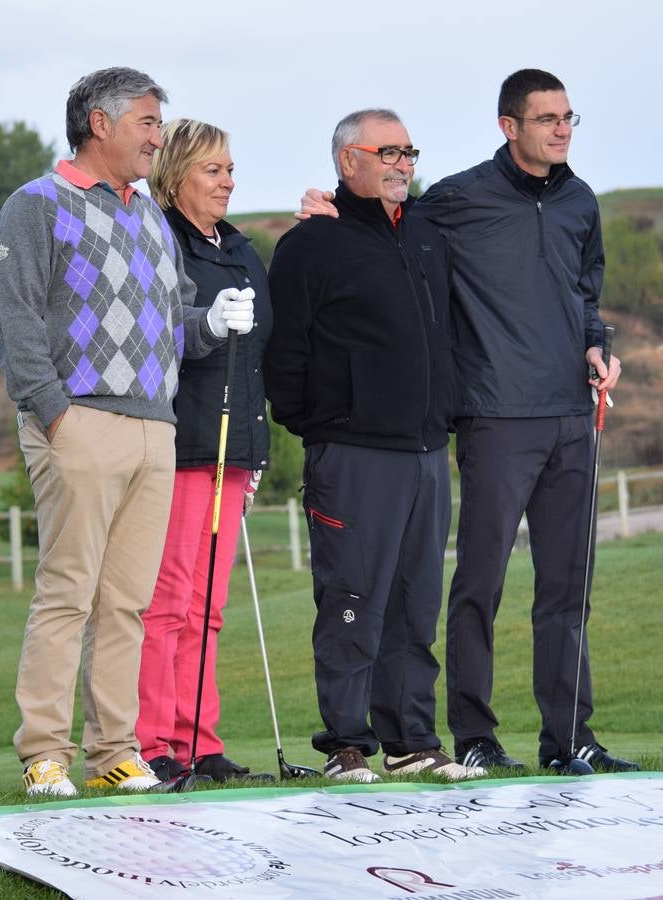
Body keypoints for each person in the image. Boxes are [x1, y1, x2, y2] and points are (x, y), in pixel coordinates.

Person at [298, 70, 635, 776]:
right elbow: (387, 218)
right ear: (509, 126)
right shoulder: (457, 199)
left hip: (572, 416)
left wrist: (596, 343)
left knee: (567, 588)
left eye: (569, 116)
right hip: (493, 418)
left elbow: (585, 290)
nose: (562, 129)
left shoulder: (579, 201)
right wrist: (329, 211)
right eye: (546, 118)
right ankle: (475, 734)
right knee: (477, 586)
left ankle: (570, 738)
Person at [0, 67, 255, 798]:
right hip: (79, 419)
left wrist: (212, 321)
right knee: (68, 591)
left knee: (127, 601)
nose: (156, 138)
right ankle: (45, 752)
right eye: (145, 123)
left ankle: (114, 753)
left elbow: (176, 326)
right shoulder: (37, 205)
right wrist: (55, 413)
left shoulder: (149, 219)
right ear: (99, 125)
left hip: (153, 427)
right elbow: (11, 320)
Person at [265, 109, 483, 784]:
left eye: (409, 151)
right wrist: (322, 423)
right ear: (346, 161)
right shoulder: (311, 245)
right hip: (352, 451)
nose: (402, 163)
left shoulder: (424, 234)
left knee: (416, 602)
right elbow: (285, 354)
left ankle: (412, 739)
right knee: (353, 598)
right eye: (387, 151)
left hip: (424, 452)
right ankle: (345, 744)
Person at [136, 119, 274, 784]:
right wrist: (211, 326)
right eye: (213, 170)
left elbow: (261, 351)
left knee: (209, 608)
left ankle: (200, 740)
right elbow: (164, 334)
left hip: (233, 450)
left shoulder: (242, 250)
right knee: (169, 601)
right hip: (186, 443)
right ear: (176, 174)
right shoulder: (160, 241)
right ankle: (153, 743)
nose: (228, 181)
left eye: (229, 169)